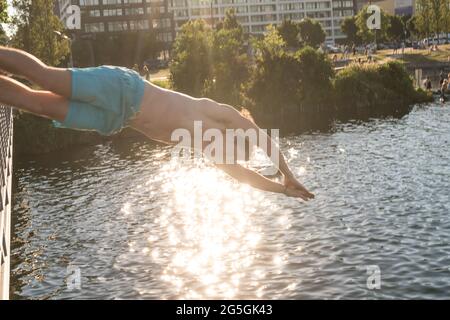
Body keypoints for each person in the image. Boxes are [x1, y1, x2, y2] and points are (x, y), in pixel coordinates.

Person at [0, 46, 314, 200]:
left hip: (115, 118)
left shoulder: (212, 152)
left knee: (39, 105)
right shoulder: (220, 113)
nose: (235, 156)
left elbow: (247, 178)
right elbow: (265, 140)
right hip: (123, 89)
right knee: (44, 77)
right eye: (240, 148)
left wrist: (283, 191)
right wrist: (288, 174)